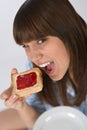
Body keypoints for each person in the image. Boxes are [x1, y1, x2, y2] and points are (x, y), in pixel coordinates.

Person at [0, 0, 87, 129]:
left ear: (68, 33)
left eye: (41, 41)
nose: (33, 57)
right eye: (25, 46)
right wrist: (21, 106)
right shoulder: (38, 69)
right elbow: (40, 123)